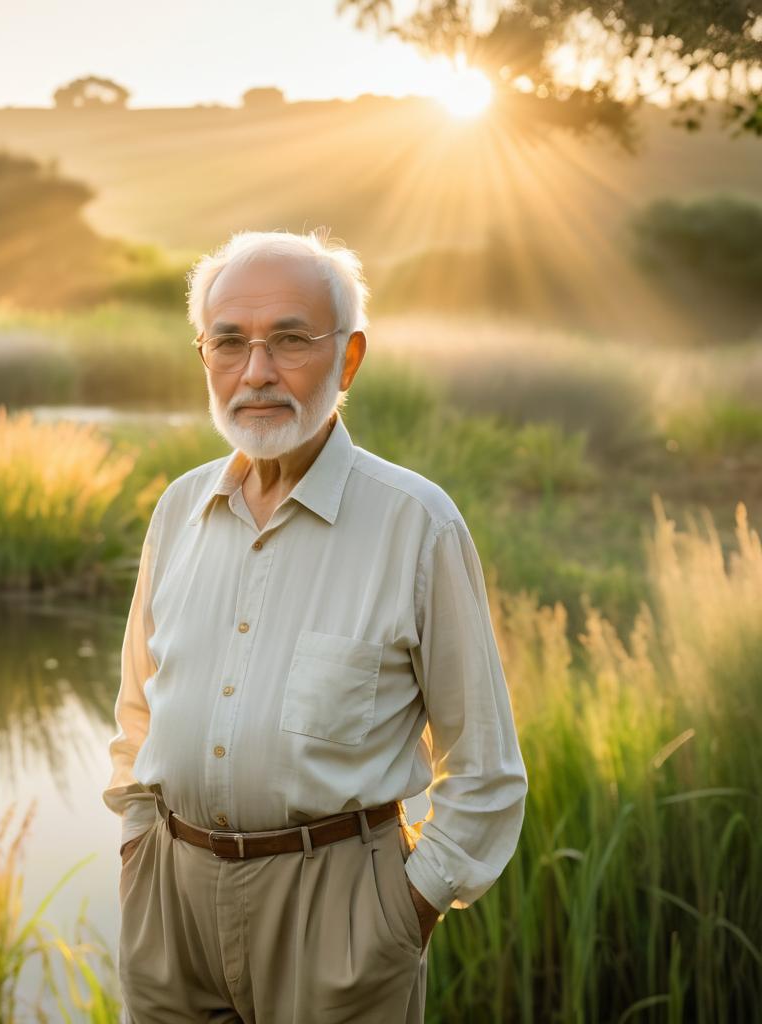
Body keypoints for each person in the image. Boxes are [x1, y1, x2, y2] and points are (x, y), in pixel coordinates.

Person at [102, 228, 527, 1023]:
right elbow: (139, 713)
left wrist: (403, 914)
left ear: (350, 357)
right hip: (170, 905)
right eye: (229, 343)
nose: (256, 372)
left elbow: (486, 773)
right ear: (205, 358)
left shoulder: (417, 523)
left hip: (338, 919)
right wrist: (136, 849)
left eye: (289, 340)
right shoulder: (178, 510)